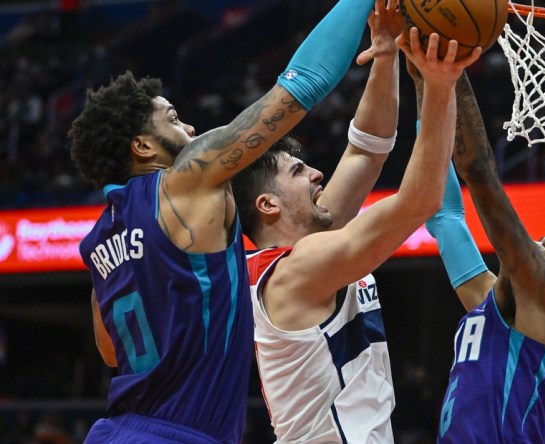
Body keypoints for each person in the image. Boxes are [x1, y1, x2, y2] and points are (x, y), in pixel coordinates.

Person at [68, 0, 378, 441]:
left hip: (119, 428)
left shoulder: (99, 242)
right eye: (173, 119)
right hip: (176, 433)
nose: (190, 130)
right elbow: (302, 85)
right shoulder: (184, 182)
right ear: (142, 146)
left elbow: (111, 352)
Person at [231, 20, 482, 442]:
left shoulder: (307, 246)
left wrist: (384, 54)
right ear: (268, 205)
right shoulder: (296, 270)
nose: (316, 173)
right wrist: (440, 85)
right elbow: (419, 200)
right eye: (298, 171)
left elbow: (365, 149)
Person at [421, 69, 545, 442]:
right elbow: (445, 217)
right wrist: (425, 82)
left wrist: (451, 70)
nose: (536, 243)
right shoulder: (494, 307)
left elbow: (479, 172)